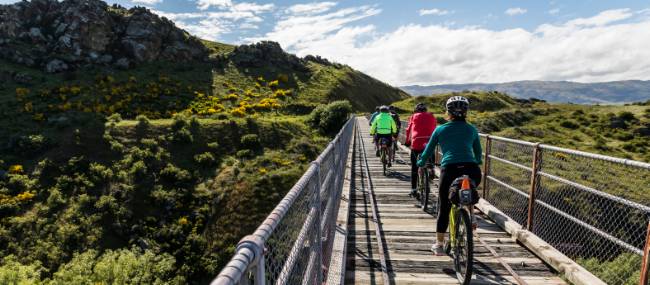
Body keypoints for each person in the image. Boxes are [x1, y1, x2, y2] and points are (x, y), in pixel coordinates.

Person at [417, 96, 482, 256]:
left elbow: (428, 152)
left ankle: (439, 245)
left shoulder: (440, 130)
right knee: (468, 188)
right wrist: (475, 161)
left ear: (448, 112)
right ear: (466, 112)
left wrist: (421, 162)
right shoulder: (472, 129)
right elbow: (479, 154)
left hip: (450, 170)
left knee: (444, 206)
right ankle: (471, 215)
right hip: (472, 169)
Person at [405, 103, 437, 196]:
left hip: (416, 142)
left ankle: (414, 190)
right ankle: (431, 168)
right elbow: (435, 128)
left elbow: (409, 129)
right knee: (430, 151)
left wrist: (407, 141)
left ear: (416, 110)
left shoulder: (413, 116)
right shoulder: (432, 116)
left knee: (414, 168)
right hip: (429, 141)